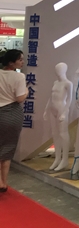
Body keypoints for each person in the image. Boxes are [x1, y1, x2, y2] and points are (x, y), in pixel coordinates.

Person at [0, 50, 27, 192]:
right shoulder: (19, 76)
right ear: (12, 62)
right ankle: (4, 182)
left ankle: (0, 181)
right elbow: (20, 98)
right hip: (12, 113)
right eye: (20, 59)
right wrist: (27, 92)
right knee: (8, 148)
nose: (22, 62)